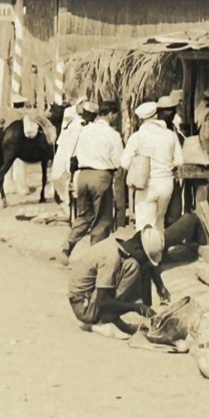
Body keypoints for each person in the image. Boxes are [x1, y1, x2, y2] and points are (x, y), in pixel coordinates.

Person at [67, 225, 170, 337]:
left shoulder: (124, 243)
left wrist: (160, 287)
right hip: (84, 307)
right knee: (133, 268)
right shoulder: (111, 258)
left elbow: (148, 265)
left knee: (136, 265)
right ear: (138, 249)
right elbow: (103, 301)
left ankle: (110, 318)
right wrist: (136, 307)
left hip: (90, 297)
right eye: (145, 258)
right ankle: (103, 322)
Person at [60, 100, 125, 257]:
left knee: (85, 214)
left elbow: (74, 154)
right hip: (101, 176)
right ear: (111, 115)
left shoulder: (85, 130)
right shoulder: (113, 135)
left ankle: (67, 247)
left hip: (83, 176)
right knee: (103, 218)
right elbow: (119, 161)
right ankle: (95, 256)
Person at [122, 101, 184, 234]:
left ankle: (145, 254)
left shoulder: (137, 137)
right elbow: (179, 161)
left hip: (146, 185)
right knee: (159, 223)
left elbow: (124, 163)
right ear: (156, 116)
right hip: (166, 184)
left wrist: (140, 165)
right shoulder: (170, 135)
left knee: (144, 226)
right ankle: (158, 253)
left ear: (141, 119)